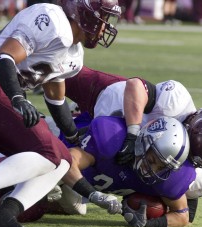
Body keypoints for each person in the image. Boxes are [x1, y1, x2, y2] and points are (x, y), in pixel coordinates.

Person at [0, 1, 121, 227]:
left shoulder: (74, 53)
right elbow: (2, 58)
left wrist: (73, 135)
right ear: (85, 14)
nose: (104, 27)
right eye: (103, 19)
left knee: (62, 160)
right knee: (46, 151)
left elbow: (56, 98)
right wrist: (18, 98)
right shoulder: (52, 19)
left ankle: (5, 217)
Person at [61, 114, 195, 227]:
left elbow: (182, 215)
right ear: (144, 140)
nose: (152, 171)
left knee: (74, 206)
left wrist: (149, 223)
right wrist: (92, 195)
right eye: (152, 160)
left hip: (75, 187)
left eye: (161, 168)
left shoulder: (168, 177)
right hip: (56, 151)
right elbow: (66, 161)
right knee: (53, 183)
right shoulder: (113, 138)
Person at [64, 66, 197, 165]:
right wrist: (132, 135)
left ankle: (77, 117)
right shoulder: (177, 103)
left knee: (61, 146)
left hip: (108, 134)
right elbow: (135, 85)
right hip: (109, 96)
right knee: (54, 73)